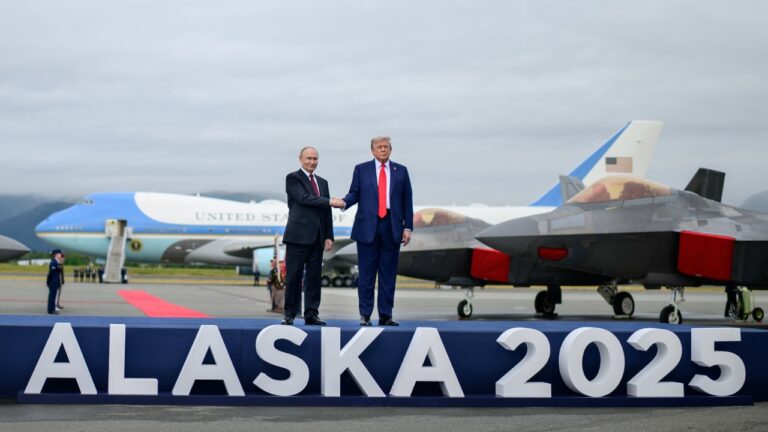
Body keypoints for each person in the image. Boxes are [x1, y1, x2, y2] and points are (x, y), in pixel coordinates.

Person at [342, 136, 413, 326]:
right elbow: (354, 193)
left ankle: (385, 315)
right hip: (367, 228)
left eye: (386, 147)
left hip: (392, 226)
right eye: (379, 147)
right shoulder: (361, 169)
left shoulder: (401, 171)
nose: (383, 150)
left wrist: (407, 227)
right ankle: (365, 314)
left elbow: (407, 201)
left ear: (391, 149)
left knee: (388, 274)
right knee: (366, 274)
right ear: (372, 150)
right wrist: (343, 203)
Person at [281, 146, 340, 326]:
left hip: (318, 238)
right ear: (300, 159)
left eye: (315, 159)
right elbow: (304, 198)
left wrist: (329, 235)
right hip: (297, 237)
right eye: (308, 158)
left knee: (314, 279)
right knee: (294, 277)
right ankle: (290, 314)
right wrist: (329, 201)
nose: (312, 162)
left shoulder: (323, 182)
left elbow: (326, 212)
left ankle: (311, 314)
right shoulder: (293, 178)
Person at [46, 249, 65, 315]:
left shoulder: (57, 262)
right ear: (56, 255)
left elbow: (59, 269)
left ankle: (53, 309)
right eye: (59, 254)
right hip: (53, 282)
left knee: (53, 297)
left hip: (55, 282)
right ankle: (50, 310)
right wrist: (48, 282)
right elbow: (51, 273)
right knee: (52, 297)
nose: (61, 255)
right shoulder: (53, 262)